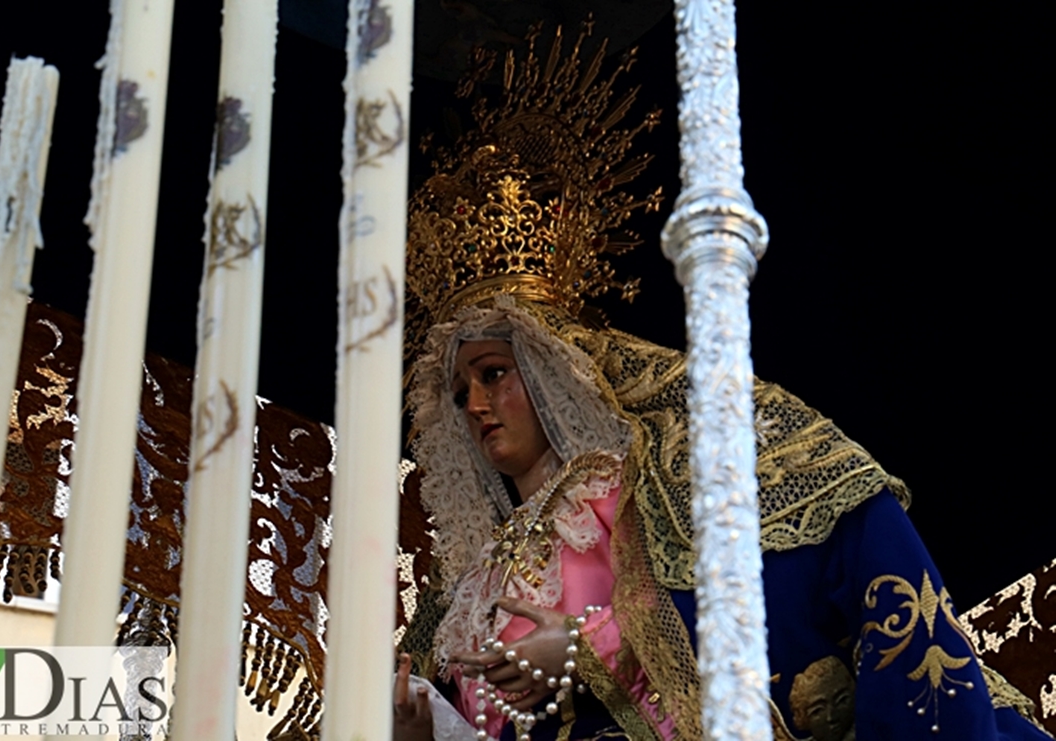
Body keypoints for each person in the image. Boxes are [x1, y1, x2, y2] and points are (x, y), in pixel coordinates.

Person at [391, 21, 1051, 741]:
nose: (477, 404)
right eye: (460, 394)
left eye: (493, 374)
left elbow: (719, 602)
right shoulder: (455, 592)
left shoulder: (631, 485)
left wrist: (584, 650)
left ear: (553, 371)